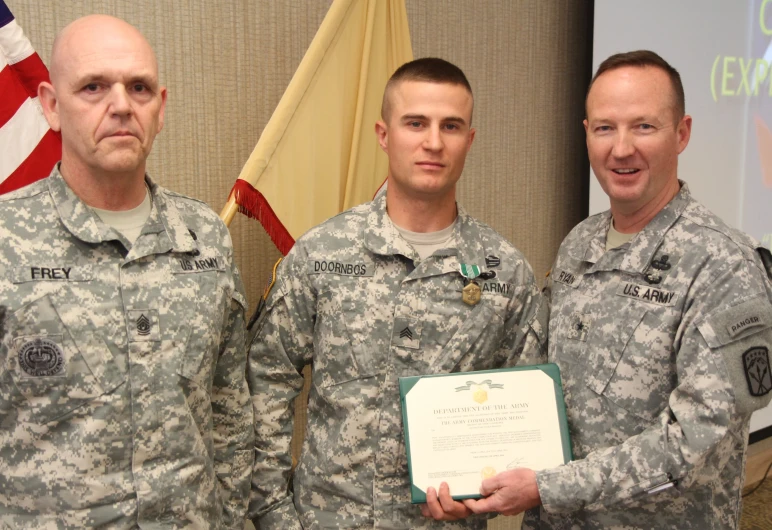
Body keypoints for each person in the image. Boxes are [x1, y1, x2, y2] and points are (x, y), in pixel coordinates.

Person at [426, 50, 772, 529]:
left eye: (644, 127)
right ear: (587, 133)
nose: (621, 148)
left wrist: (548, 487)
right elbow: (539, 377)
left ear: (683, 133)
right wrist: (466, 468)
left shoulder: (724, 265)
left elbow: (696, 439)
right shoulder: (579, 244)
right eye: (605, 128)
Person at [246, 57, 547, 529]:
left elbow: (526, 422)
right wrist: (273, 515)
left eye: (451, 126)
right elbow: (266, 383)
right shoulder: (321, 254)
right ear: (384, 135)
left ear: (469, 140)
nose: (433, 142)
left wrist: (485, 494)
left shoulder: (506, 275)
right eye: (415, 123)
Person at [0, 15, 253, 529]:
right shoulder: (6, 239)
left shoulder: (204, 236)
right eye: (93, 87)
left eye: (138, 88)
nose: (120, 105)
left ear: (160, 109)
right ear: (50, 106)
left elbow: (229, 408)